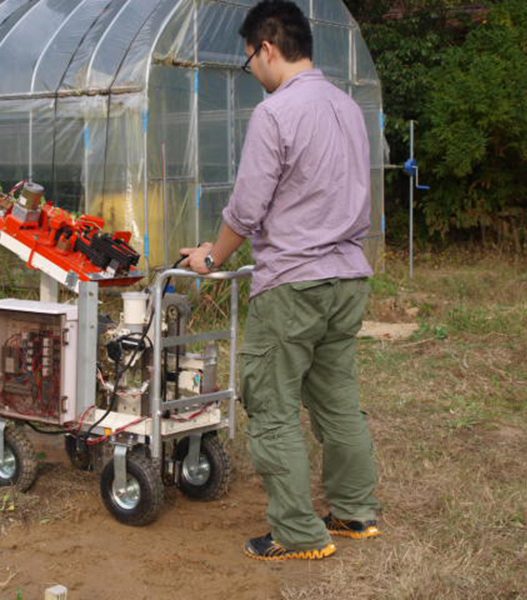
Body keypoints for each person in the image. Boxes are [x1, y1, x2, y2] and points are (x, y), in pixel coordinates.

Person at [180, 0, 381, 562]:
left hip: (294, 282)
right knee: (338, 401)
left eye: (250, 62)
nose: (255, 74)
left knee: (270, 405)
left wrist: (210, 258)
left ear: (266, 48)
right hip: (347, 279)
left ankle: (297, 533)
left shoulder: (277, 113)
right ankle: (355, 511)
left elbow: (246, 209)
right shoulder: (346, 106)